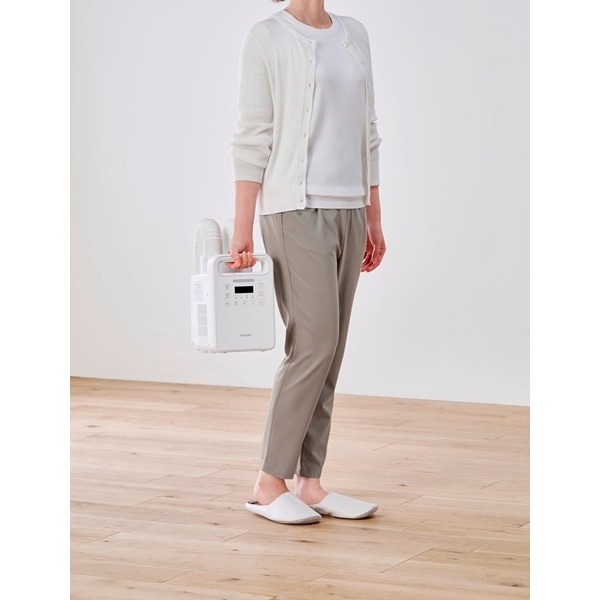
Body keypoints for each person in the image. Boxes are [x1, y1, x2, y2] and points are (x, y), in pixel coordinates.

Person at [228, 0, 386, 525]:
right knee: (312, 345)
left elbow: (368, 132)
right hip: (294, 209)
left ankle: (310, 482)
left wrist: (374, 217)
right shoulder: (267, 36)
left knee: (330, 350)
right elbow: (253, 135)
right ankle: (268, 483)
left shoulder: (354, 33)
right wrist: (242, 229)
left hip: (350, 210)